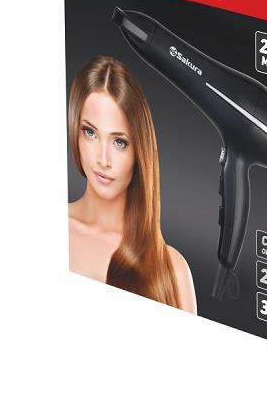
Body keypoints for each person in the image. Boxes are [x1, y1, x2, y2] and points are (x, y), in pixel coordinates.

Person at [67, 55, 196, 313]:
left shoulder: (173, 270)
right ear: (74, 131)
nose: (103, 159)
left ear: (139, 150)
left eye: (119, 142)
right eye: (90, 133)